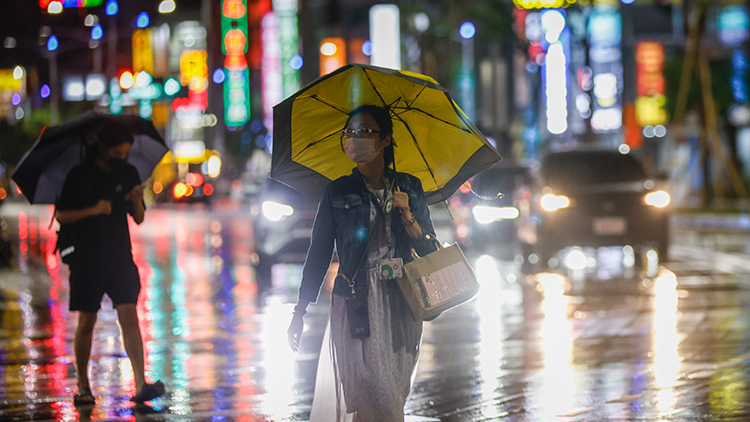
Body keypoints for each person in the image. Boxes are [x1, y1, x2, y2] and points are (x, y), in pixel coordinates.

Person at [287, 105, 439, 421]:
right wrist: (299, 310)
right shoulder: (337, 190)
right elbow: (318, 253)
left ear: (385, 140)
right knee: (372, 394)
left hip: (400, 301)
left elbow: (427, 248)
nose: (354, 140)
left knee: (390, 396)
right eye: (349, 133)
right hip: (355, 300)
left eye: (364, 132)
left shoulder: (409, 187)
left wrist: (407, 214)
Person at [55, 122, 164, 406]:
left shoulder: (128, 173)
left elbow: (138, 218)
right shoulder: (79, 176)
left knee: (129, 315)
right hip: (87, 259)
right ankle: (83, 386)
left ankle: (141, 383)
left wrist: (138, 201)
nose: (121, 159)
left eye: (125, 154)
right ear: (102, 149)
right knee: (87, 320)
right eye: (116, 154)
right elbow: (62, 216)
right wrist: (94, 209)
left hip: (119, 256)